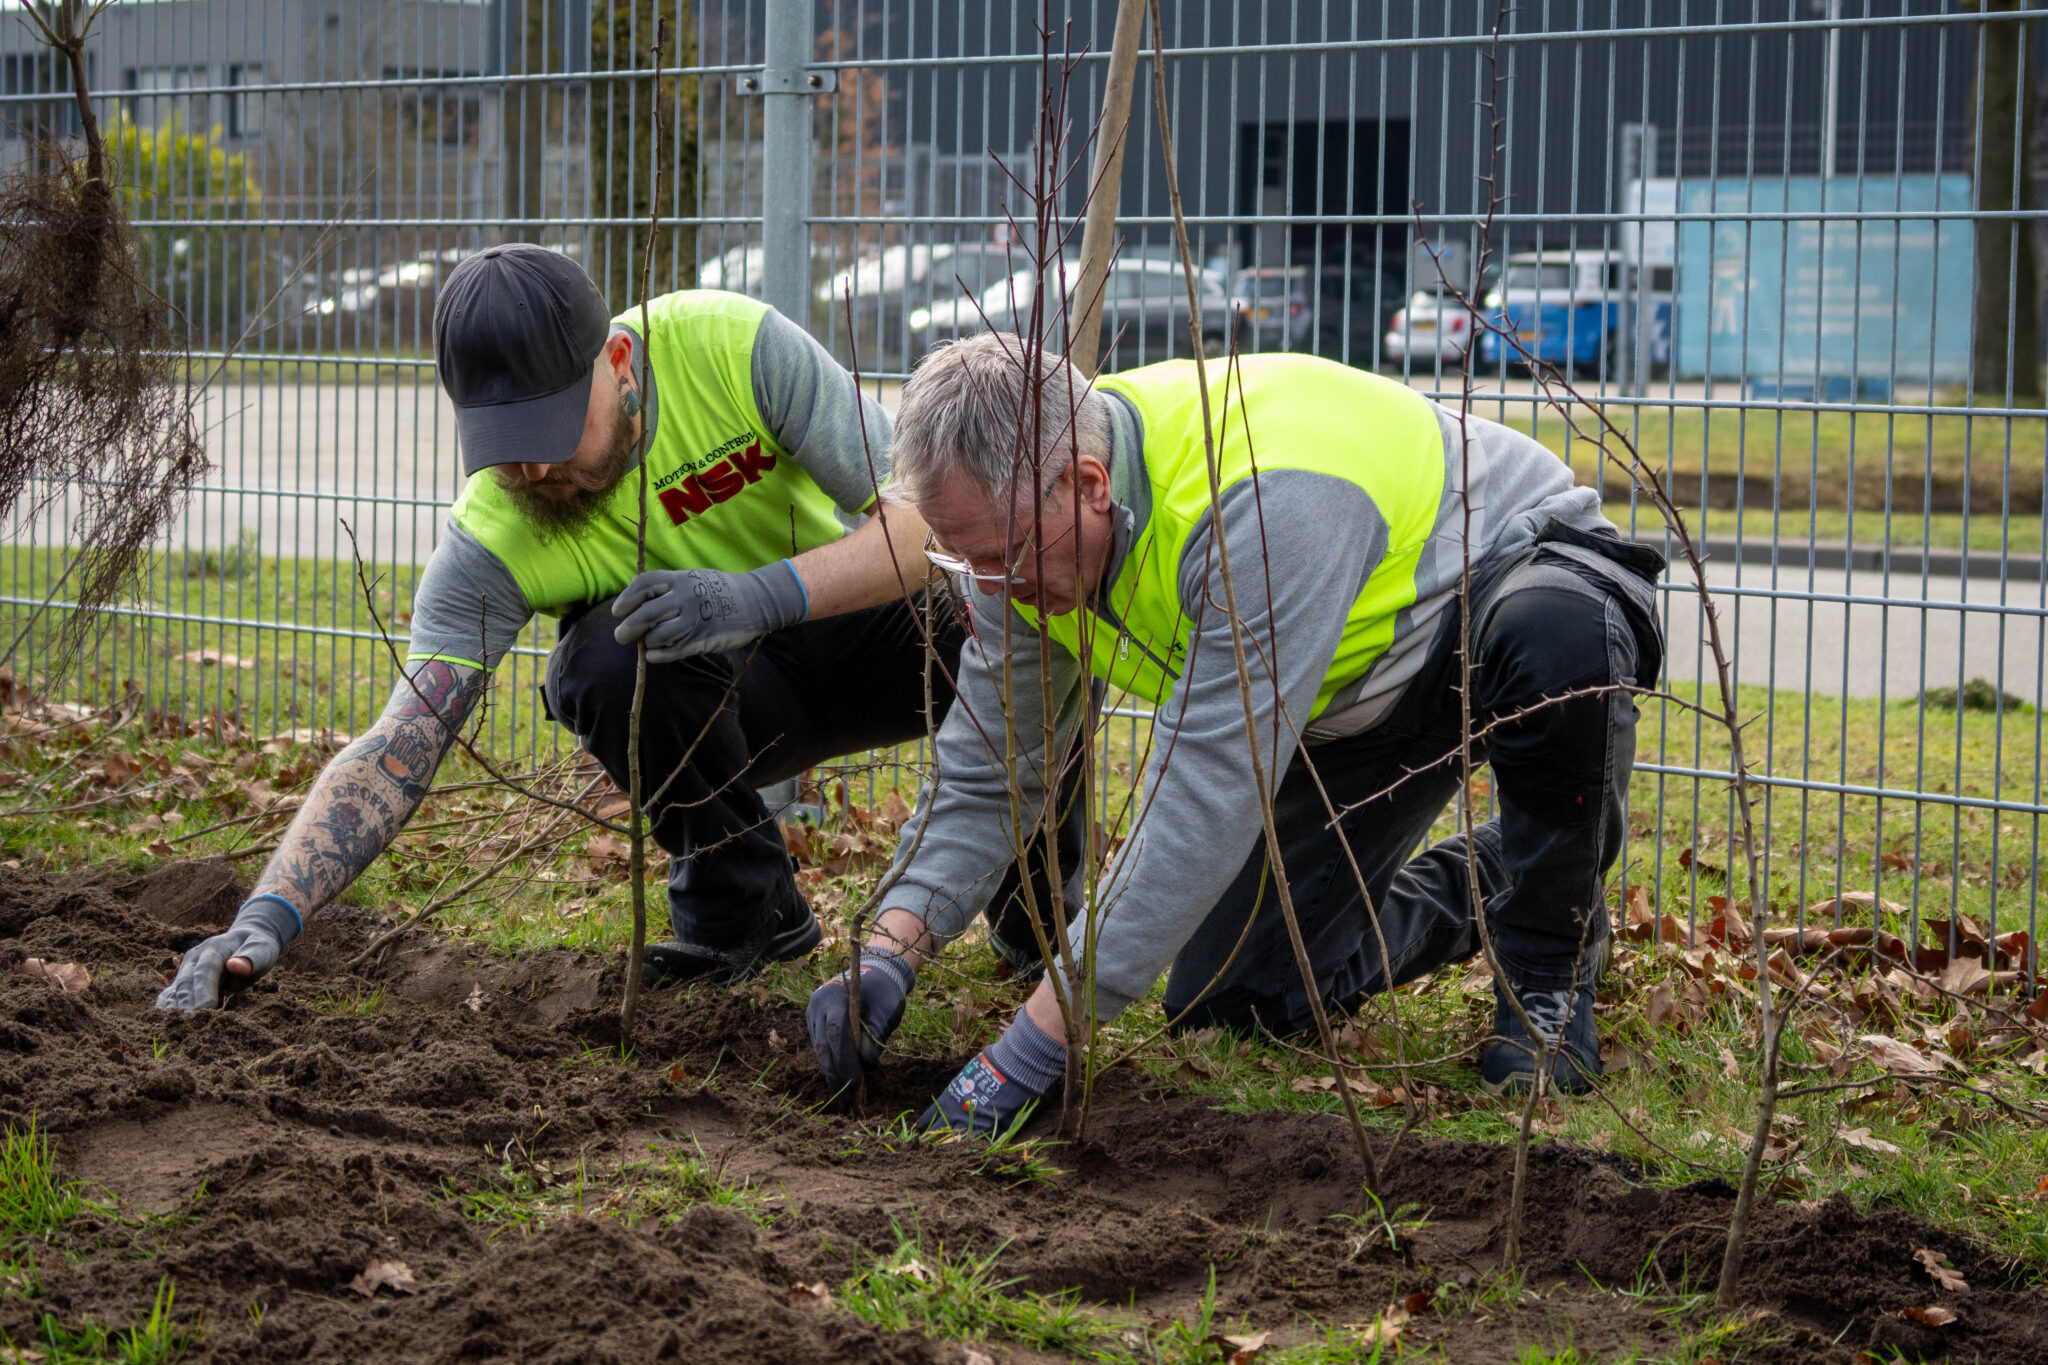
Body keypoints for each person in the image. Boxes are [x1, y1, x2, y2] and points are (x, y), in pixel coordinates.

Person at [158, 247, 1078, 1012]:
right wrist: (269, 912)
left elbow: (917, 526)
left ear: (620, 361)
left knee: (1008, 594)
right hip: (734, 698)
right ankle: (742, 918)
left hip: (866, 626)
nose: (531, 465)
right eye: (503, 443)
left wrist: (753, 595)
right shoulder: (493, 535)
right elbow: (401, 742)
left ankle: (1039, 904)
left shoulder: (731, 346)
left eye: (554, 427)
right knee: (602, 662)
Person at [805, 332, 1664, 1130]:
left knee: (1557, 634)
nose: (985, 585)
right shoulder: (1021, 548)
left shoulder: (1261, 501)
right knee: (1237, 996)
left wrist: (1034, 1045)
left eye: (1001, 555)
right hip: (1344, 702)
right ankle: (1526, 863)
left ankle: (1549, 969)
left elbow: (1206, 795)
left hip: (1501, 586)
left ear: (1091, 485)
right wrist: (887, 952)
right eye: (962, 560)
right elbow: (992, 772)